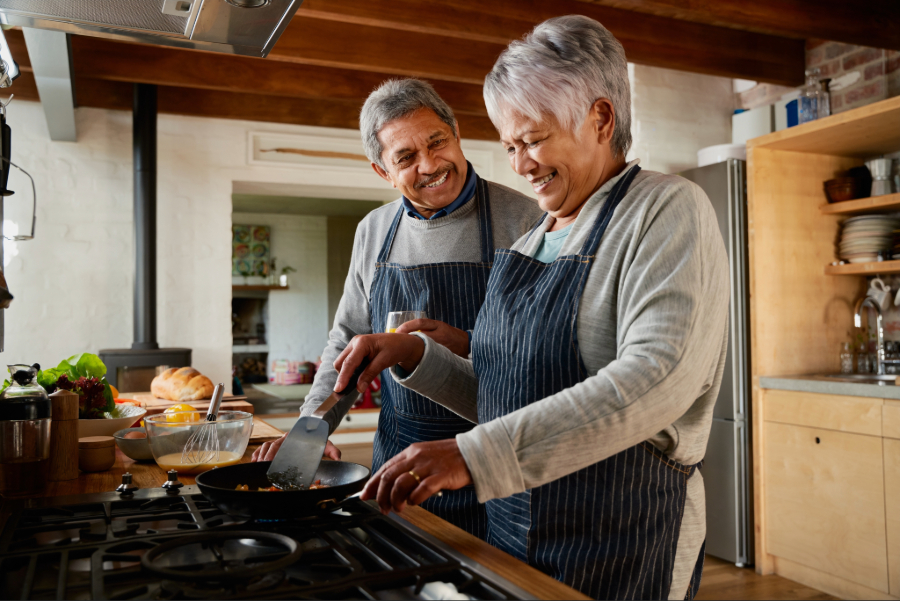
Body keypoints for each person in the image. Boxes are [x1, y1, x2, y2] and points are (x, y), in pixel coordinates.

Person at [331, 16, 730, 600]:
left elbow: (655, 381)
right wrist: (419, 355)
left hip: (620, 536)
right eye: (510, 145)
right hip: (514, 530)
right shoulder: (533, 238)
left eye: (534, 140)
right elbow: (504, 393)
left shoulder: (666, 209)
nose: (519, 165)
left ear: (600, 118)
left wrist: (475, 454)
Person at [251, 78, 543, 540]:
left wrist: (468, 345)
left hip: (494, 459)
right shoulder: (373, 231)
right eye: (405, 158)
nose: (429, 165)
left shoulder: (528, 221)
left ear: (456, 134)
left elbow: (542, 358)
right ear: (382, 171)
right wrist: (313, 428)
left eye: (437, 142)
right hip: (398, 461)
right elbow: (347, 340)